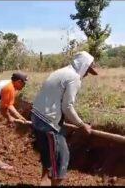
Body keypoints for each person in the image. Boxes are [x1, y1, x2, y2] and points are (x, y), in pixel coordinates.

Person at [30, 51, 98, 186]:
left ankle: (44, 182)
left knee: (48, 158)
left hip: (37, 116)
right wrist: (81, 124)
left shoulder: (60, 72)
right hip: (48, 122)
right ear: (82, 65)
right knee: (61, 159)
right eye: (87, 70)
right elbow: (67, 107)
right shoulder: (73, 78)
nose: (86, 74)